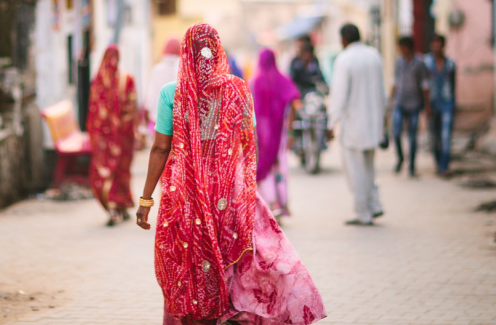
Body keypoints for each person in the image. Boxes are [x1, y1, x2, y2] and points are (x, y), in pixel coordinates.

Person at [136, 23, 326, 325]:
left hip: (186, 193)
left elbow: (160, 148)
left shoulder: (171, 93)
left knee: (191, 262)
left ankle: (200, 316)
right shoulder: (236, 89)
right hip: (230, 191)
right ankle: (227, 312)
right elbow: (244, 141)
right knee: (233, 259)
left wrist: (146, 200)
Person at [327, 24, 386, 226]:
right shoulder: (374, 56)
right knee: (369, 167)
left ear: (344, 39)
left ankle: (363, 212)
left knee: (356, 170)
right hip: (374, 123)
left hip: (354, 125)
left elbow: (339, 95)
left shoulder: (345, 59)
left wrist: (331, 123)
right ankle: (374, 204)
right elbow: (382, 91)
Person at [87, 45, 138, 226]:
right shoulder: (99, 82)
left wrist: (119, 125)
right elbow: (94, 112)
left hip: (121, 137)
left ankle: (120, 207)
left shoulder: (126, 80)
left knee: (121, 172)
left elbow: (131, 108)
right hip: (106, 139)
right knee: (106, 173)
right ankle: (113, 207)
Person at [250, 48, 301, 217]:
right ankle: (281, 205)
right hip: (280, 134)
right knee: (280, 167)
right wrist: (291, 131)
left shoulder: (255, 81)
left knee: (264, 167)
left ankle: (269, 206)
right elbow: (294, 101)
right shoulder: (283, 80)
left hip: (261, 134)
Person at [390, 36, 430, 177]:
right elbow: (394, 82)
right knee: (396, 132)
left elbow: (425, 85)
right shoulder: (399, 62)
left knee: (413, 136)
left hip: (414, 104)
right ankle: (400, 158)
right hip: (399, 102)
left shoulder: (419, 63)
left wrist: (426, 104)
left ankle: (412, 164)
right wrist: (391, 101)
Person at [424, 35, 456, 175]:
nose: (436, 48)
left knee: (445, 135)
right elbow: (424, 85)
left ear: (443, 46)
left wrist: (454, 102)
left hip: (447, 102)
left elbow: (454, 85)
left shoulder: (450, 64)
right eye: (434, 45)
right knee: (434, 137)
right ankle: (438, 161)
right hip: (432, 103)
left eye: (439, 45)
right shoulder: (426, 63)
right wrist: (426, 105)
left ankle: (444, 166)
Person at [145, 37, 181, 136]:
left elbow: (150, 94)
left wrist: (149, 112)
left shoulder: (157, 69)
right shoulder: (181, 68)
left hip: (158, 115)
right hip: (176, 117)